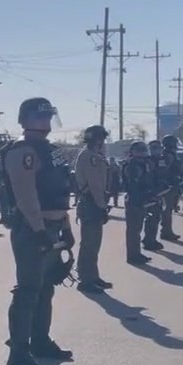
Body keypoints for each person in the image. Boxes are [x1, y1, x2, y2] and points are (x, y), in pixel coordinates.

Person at [0, 97, 74, 365]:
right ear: (25, 119)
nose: (45, 122)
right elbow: (26, 196)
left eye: (48, 117)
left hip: (52, 226)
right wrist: (41, 232)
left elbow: (59, 191)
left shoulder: (48, 149)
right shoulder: (23, 151)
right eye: (40, 117)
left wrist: (65, 227)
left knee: (46, 288)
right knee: (28, 290)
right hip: (33, 229)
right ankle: (18, 354)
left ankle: (41, 342)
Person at [73, 125, 112, 294]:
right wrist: (102, 206)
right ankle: (85, 279)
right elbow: (95, 185)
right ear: (98, 139)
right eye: (102, 138)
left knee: (94, 243)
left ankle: (92, 276)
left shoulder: (93, 155)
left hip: (93, 202)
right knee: (89, 243)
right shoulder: (90, 157)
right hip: (91, 203)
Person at [123, 141, 154, 265]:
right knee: (133, 230)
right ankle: (133, 256)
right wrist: (140, 199)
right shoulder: (131, 166)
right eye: (138, 150)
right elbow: (133, 185)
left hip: (141, 199)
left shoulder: (143, 165)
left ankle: (136, 253)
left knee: (137, 228)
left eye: (143, 150)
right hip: (134, 200)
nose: (141, 152)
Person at [159, 135, 182, 239]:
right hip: (168, 186)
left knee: (169, 208)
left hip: (172, 184)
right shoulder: (168, 155)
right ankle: (166, 232)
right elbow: (166, 169)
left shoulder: (170, 154)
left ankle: (167, 231)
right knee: (167, 209)